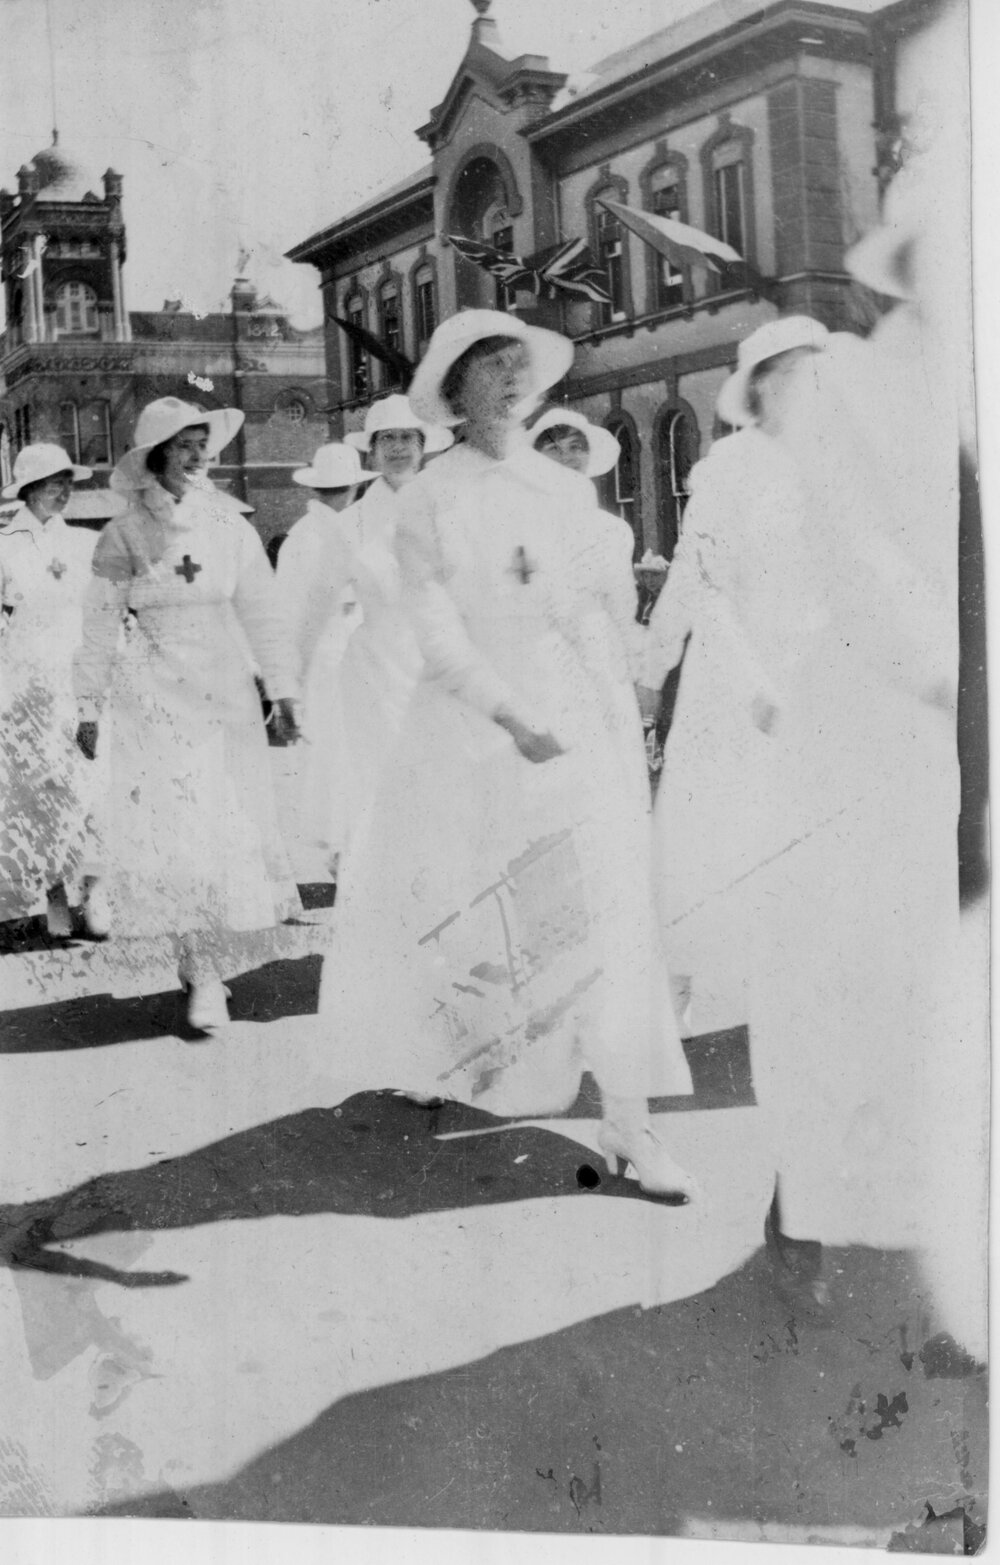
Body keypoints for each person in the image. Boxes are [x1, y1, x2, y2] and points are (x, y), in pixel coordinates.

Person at [319, 311, 696, 1198]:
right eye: (491, 365)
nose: (512, 378)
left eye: (519, 364)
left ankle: (629, 1121)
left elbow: (581, 608)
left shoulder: (562, 489)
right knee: (472, 912)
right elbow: (437, 633)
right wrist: (510, 714)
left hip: (570, 716)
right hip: (470, 727)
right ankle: (451, 1066)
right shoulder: (428, 497)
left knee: (602, 909)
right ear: (455, 390)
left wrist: (609, 704)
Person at [72, 397, 301, 1035]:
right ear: (156, 457)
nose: (196, 457)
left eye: (203, 444)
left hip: (225, 692)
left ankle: (211, 962)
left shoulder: (230, 527)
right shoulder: (122, 533)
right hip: (155, 697)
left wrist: (283, 691)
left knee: (225, 827)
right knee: (178, 829)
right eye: (182, 446)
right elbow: (96, 626)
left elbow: (263, 612)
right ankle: (199, 965)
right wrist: (87, 704)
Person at [639, 317, 829, 1033]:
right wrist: (659, 669)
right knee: (716, 833)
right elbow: (697, 580)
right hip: (738, 670)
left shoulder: (833, 462)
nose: (803, 391)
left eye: (814, 375)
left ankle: (797, 996)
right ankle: (676, 1001)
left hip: (814, 666)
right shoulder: (728, 469)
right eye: (786, 376)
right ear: (757, 389)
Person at [290, 397, 453, 867]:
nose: (398, 449)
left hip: (440, 661)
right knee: (379, 776)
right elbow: (315, 608)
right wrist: (290, 685)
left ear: (424, 447)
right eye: (388, 439)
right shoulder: (351, 524)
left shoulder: (448, 507)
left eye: (407, 438)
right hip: (374, 669)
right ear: (372, 451)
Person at [0, 443, 108, 937]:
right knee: (35, 792)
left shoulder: (84, 544)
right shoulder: (6, 545)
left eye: (67, 481)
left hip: (77, 677)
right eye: (51, 482)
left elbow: (101, 617)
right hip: (24, 685)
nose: (62, 490)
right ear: (27, 489)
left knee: (87, 786)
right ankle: (52, 898)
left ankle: (93, 894)